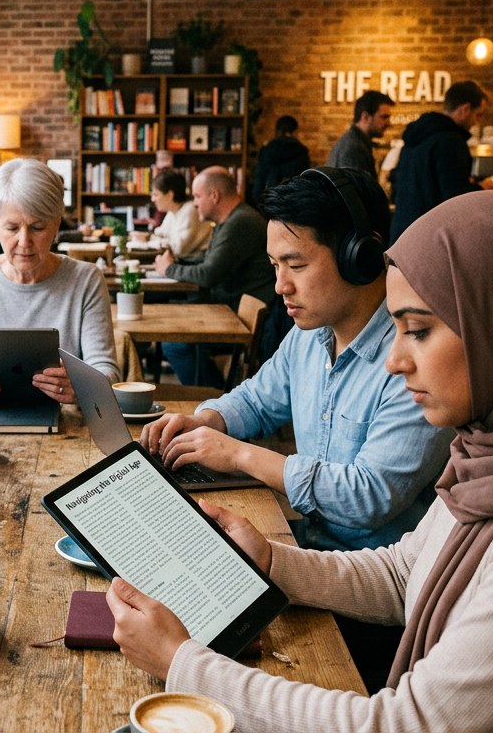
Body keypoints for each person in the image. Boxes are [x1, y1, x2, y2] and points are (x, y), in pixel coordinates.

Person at [106, 191, 493, 731]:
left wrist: (182, 665)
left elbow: (406, 723)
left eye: (420, 331)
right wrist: (272, 560)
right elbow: (405, 573)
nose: (393, 360)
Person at [143, 168, 452, 554]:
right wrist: (207, 420)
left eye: (296, 265)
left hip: (374, 584)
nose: (280, 286)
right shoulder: (309, 332)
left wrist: (240, 454)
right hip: (307, 545)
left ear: (360, 257)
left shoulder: (415, 358)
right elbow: (257, 400)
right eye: (275, 265)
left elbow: (371, 497)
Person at [0, 158, 118, 404]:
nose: (24, 242)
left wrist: (85, 387)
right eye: (11, 228)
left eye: (38, 227)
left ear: (56, 226)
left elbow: (108, 370)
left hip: (68, 426)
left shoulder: (86, 279)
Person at [152, 167, 276, 385]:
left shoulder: (241, 222)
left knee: (175, 345)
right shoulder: (229, 221)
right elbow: (209, 263)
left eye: (198, 196)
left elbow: (208, 274)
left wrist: (169, 269)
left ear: (215, 195)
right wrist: (176, 264)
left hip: (237, 319)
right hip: (225, 309)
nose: (195, 203)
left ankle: (214, 398)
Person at [389, 80, 493, 243]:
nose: (477, 122)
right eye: (478, 115)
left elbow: (398, 183)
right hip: (428, 240)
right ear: (465, 109)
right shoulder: (451, 140)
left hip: (401, 235)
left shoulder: (416, 136)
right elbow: (455, 198)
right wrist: (480, 189)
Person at [328, 90, 394, 176]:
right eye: (384, 117)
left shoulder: (352, 142)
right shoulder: (353, 149)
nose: (389, 123)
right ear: (365, 117)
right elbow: (356, 188)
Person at [148, 169, 210, 258]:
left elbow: (178, 249)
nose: (153, 199)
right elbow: (158, 234)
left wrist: (158, 242)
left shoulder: (190, 210)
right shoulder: (173, 212)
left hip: (194, 265)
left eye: (156, 195)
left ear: (170, 195)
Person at [251, 116, 311, 203]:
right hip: (293, 202)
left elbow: (259, 178)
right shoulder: (301, 151)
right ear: (294, 131)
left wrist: (258, 200)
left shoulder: (267, 150)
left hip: (269, 201)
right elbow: (303, 182)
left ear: (277, 130)